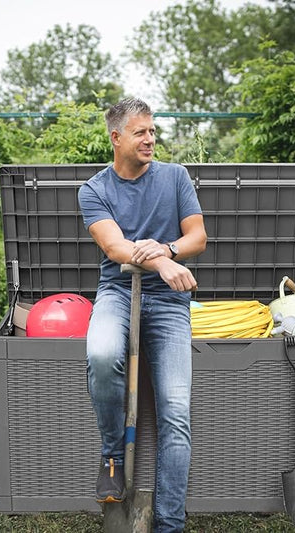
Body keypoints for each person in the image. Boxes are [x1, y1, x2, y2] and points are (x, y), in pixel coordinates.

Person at [78, 97, 207, 532]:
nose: (150, 139)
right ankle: (112, 456)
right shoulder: (94, 190)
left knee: (176, 410)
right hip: (117, 292)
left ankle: (170, 524)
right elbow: (115, 249)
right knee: (101, 354)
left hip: (169, 303)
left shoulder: (175, 177)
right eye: (140, 132)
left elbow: (197, 237)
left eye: (153, 131)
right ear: (116, 138)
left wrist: (167, 248)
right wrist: (164, 263)